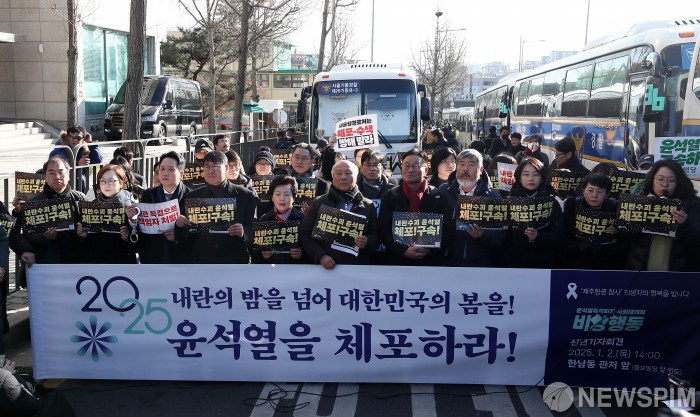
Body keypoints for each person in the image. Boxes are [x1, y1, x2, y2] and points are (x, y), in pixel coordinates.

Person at [176, 151, 257, 264]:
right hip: (202, 261)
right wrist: (180, 226)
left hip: (233, 261)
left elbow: (256, 230)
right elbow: (186, 235)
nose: (211, 170)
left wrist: (244, 231)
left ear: (226, 167)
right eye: (207, 166)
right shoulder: (192, 197)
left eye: (215, 166)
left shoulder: (246, 196)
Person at [299, 160, 379, 269]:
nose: (343, 177)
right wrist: (321, 256)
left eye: (348, 173)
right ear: (332, 177)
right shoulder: (319, 203)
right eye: (339, 173)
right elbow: (305, 234)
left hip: (358, 269)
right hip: (325, 269)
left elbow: (376, 237)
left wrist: (367, 242)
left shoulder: (368, 205)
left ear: (356, 176)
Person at [10, 156, 87, 266]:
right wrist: (43, 237)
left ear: (68, 175)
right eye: (51, 173)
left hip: (76, 263)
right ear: (45, 177)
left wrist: (83, 235)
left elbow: (91, 234)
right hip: (45, 264)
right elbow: (27, 236)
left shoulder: (80, 198)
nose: (57, 177)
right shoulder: (34, 202)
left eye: (61, 172)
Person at [625, 159, 700, 271]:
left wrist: (684, 225)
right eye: (660, 180)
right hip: (641, 271)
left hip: (677, 274)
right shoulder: (639, 202)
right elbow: (625, 240)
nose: (665, 185)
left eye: (671, 181)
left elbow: (696, 242)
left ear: (678, 182)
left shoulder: (692, 205)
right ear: (651, 180)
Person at [439, 149, 506, 267]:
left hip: (479, 264)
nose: (465, 169)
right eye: (462, 164)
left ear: (481, 170)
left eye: (471, 164)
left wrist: (483, 235)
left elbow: (501, 236)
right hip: (447, 262)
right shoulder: (443, 192)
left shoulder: (493, 197)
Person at [379, 149, 445, 266]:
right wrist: (403, 250)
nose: (410, 170)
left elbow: (447, 230)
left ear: (426, 170)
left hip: (430, 263)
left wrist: (429, 248)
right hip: (397, 262)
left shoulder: (438, 196)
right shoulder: (390, 196)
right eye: (406, 166)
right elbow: (383, 230)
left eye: (416, 166)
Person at [498, 158, 564, 269]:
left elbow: (559, 236)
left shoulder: (551, 202)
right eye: (526, 174)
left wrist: (538, 236)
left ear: (542, 177)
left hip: (542, 263)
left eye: (536, 174)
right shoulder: (507, 200)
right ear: (519, 177)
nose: (531, 179)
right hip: (512, 263)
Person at [76, 164, 138, 264]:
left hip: (122, 265)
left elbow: (140, 243)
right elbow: (84, 246)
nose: (106, 185)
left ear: (121, 183)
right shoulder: (91, 207)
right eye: (103, 181)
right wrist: (83, 236)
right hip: (97, 264)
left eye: (111, 181)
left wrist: (127, 237)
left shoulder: (131, 207)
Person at [563, 173, 627, 270]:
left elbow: (624, 243)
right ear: (583, 191)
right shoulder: (572, 206)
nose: (594, 195)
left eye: (600, 191)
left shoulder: (617, 210)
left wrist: (605, 250)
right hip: (576, 263)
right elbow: (563, 236)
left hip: (606, 265)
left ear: (607, 194)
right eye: (590, 190)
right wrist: (576, 246)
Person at [137, 152, 191, 264]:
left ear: (181, 174)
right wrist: (133, 219)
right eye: (162, 169)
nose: (165, 173)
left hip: (181, 259)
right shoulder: (149, 194)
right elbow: (141, 228)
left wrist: (178, 236)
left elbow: (197, 234)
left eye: (171, 170)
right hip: (153, 257)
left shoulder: (191, 197)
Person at [254, 176, 307, 264]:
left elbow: (312, 248)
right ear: (272, 197)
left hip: (296, 271)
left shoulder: (302, 219)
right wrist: (262, 254)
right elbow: (255, 251)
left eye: (286, 194)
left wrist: (302, 253)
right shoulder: (264, 220)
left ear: (293, 198)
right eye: (278, 194)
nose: (282, 198)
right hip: (272, 273)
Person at [48, 125, 103, 193]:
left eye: (78, 138)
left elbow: (98, 160)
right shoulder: (59, 150)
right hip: (63, 187)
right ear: (67, 137)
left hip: (80, 186)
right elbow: (57, 169)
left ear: (83, 139)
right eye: (71, 136)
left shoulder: (83, 149)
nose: (74, 140)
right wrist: (77, 165)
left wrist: (90, 143)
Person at [289, 143, 329, 212]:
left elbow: (324, 213)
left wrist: (311, 213)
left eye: (304, 158)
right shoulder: (281, 181)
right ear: (291, 159)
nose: (300, 161)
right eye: (296, 157)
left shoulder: (322, 185)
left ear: (312, 161)